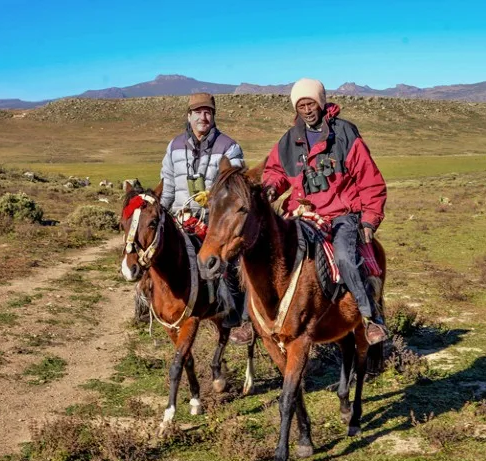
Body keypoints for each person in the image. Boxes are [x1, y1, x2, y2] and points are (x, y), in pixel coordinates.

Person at [262, 78, 389, 345]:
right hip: (301, 215)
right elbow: (274, 172)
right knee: (266, 254)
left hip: (340, 214)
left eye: (311, 103)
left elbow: (370, 180)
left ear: (321, 103)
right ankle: (254, 322)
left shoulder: (344, 134)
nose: (307, 110)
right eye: (301, 105)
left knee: (344, 256)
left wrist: (369, 220)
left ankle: (370, 317)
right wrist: (271, 188)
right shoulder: (288, 141)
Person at [159, 92, 253, 344]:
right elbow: (167, 187)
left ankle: (240, 320)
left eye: (208, 112)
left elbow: (235, 187)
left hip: (215, 223)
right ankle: (160, 308)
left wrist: (212, 197)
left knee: (234, 264)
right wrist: (160, 215)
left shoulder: (229, 147)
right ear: (189, 116)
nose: (203, 116)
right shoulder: (174, 146)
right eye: (198, 112)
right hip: (181, 220)